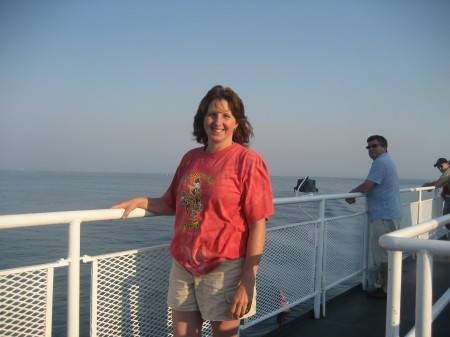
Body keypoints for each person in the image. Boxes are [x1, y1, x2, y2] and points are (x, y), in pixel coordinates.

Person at [111, 85, 274, 337]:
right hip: (183, 265)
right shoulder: (191, 158)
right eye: (211, 114)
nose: (217, 122)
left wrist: (248, 281)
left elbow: (258, 224)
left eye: (226, 116)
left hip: (225, 269)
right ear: (202, 119)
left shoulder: (247, 161)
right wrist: (142, 201)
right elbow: (172, 204)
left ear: (237, 122)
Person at [345, 135, 402, 299]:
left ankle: (386, 289)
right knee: (387, 254)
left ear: (384, 147)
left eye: (374, 146)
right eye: (368, 147)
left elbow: (367, 185)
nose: (370, 149)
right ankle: (386, 287)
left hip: (384, 216)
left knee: (383, 255)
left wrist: (351, 194)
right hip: (389, 213)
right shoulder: (386, 161)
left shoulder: (381, 162)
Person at [422, 158, 450, 233]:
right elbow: (443, 182)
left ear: (447, 164)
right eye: (438, 167)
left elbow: (437, 184)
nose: (440, 168)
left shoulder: (448, 171)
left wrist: (426, 185)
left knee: (446, 220)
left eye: (441, 166)